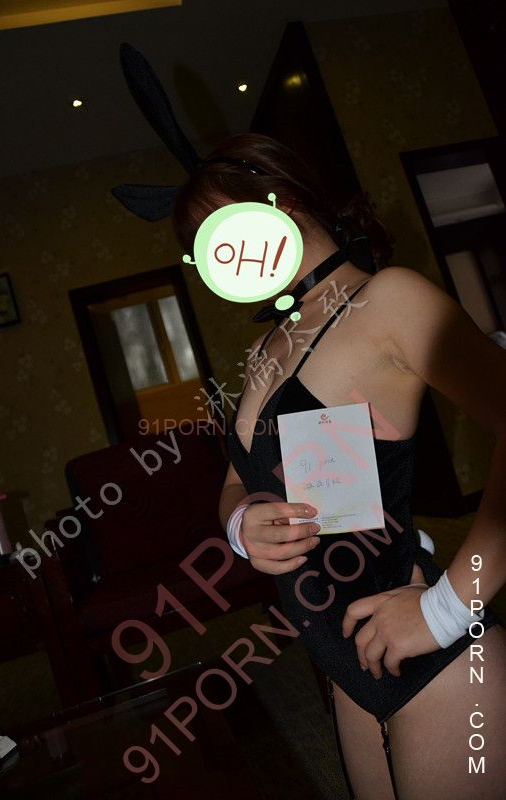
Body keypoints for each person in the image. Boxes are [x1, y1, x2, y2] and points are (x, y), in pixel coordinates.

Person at [173, 132, 506, 800]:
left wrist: (449, 607)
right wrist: (241, 522)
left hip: (435, 661)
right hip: (348, 663)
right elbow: (238, 479)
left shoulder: (387, 299)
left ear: (282, 198)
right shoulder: (265, 349)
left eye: (222, 230)